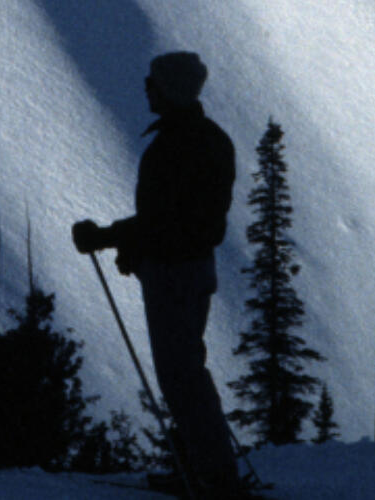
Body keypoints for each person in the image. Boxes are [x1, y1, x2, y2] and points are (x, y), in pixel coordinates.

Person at [73, 52, 241, 498]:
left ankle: (214, 476)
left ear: (171, 88)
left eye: (154, 82)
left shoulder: (173, 146)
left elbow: (163, 221)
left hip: (173, 273)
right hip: (193, 268)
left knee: (179, 374)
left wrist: (109, 238)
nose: (146, 87)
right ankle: (202, 467)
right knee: (187, 368)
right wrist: (132, 244)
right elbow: (183, 220)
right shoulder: (210, 140)